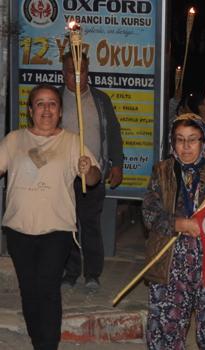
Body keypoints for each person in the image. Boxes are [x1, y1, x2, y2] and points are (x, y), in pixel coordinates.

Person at [0, 84, 101, 350]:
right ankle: (38, 340)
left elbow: (93, 179)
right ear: (30, 110)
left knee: (47, 288)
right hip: (18, 228)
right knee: (29, 290)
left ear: (60, 111)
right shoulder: (14, 139)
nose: (46, 109)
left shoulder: (72, 141)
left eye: (52, 104)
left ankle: (47, 346)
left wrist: (87, 168)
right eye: (40, 104)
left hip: (56, 229)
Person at [142, 113, 205, 349]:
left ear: (203, 141)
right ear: (172, 143)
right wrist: (179, 224)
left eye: (192, 139)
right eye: (179, 139)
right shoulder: (162, 171)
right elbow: (148, 213)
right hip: (171, 265)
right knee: (166, 331)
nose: (186, 147)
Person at [60, 52, 124, 290]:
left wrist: (117, 163)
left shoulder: (100, 99)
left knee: (90, 224)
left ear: (88, 72)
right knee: (67, 225)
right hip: (63, 177)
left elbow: (114, 133)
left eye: (82, 71)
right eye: (70, 71)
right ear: (63, 73)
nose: (76, 77)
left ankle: (93, 273)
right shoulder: (55, 99)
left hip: (93, 174)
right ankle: (70, 272)